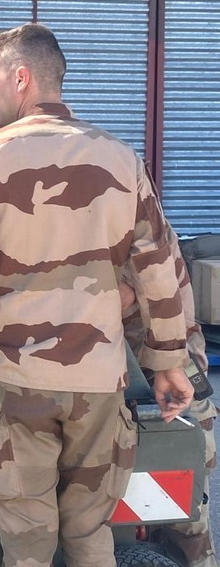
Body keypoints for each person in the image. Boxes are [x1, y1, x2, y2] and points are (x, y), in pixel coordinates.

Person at [0, 23, 193, 567]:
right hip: (99, 384)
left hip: (15, 381)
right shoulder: (122, 159)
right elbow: (159, 269)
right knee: (90, 533)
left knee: (27, 543)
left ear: (20, 78)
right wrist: (169, 362)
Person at [121, 227, 218, 567]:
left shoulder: (129, 221)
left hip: (163, 370)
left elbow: (122, 296)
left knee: (182, 510)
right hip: (142, 366)